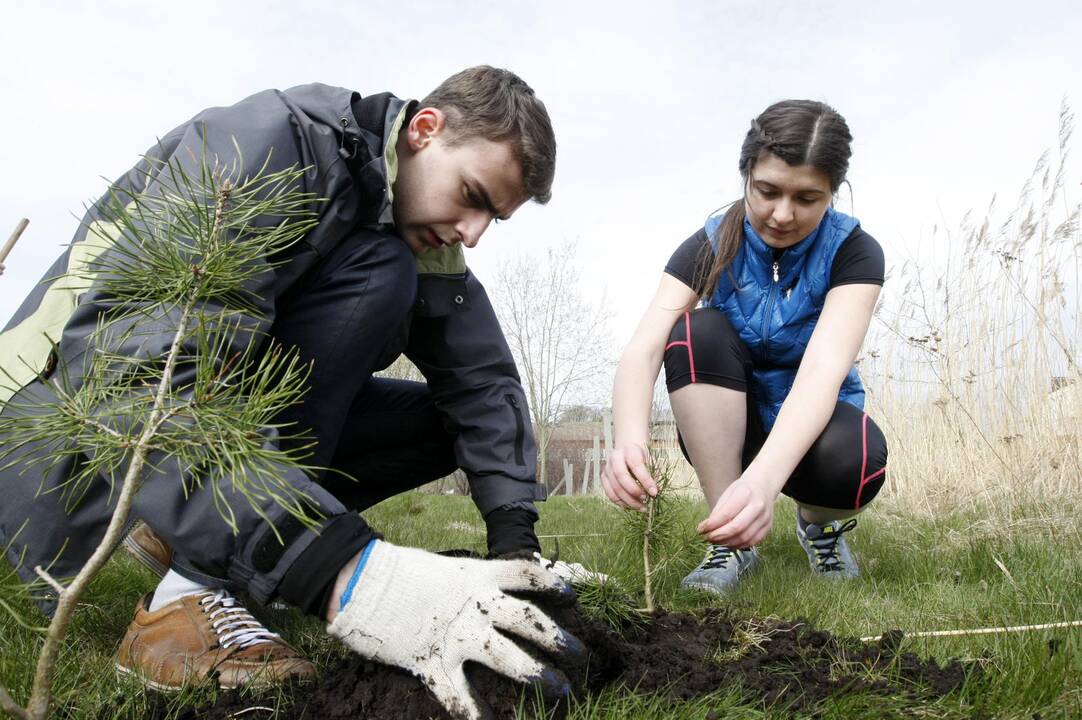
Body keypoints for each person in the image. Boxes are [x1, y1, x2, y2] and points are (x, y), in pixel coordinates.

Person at [0, 66, 584, 719]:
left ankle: (192, 540)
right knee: (382, 274)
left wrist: (515, 547)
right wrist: (348, 577)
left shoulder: (413, 229)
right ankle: (186, 601)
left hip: (193, 420)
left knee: (438, 409)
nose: (472, 232)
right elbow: (135, 376)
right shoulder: (264, 148)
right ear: (425, 130)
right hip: (55, 430)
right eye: (472, 195)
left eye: (492, 221)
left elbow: (482, 382)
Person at [602, 100, 888, 596]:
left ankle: (819, 528)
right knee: (696, 331)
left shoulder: (855, 253)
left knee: (859, 458)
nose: (782, 214)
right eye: (768, 191)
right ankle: (730, 538)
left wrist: (764, 484)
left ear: (832, 194)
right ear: (746, 175)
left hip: (811, 428)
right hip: (730, 423)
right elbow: (643, 350)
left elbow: (822, 371)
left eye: (806, 198)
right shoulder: (712, 244)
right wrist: (628, 440)